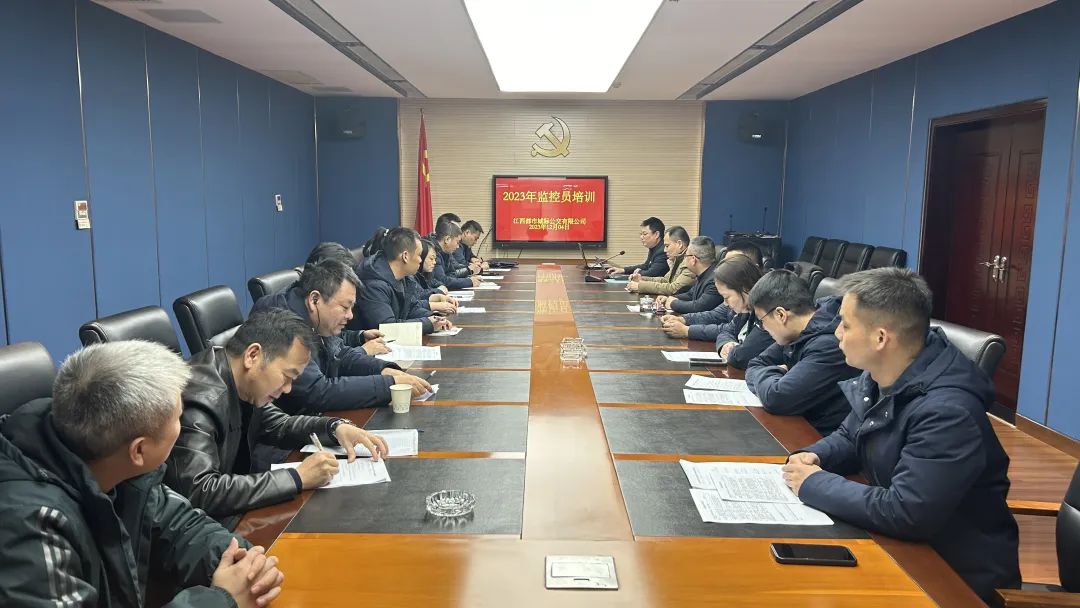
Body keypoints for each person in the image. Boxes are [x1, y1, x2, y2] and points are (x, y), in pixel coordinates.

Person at [781, 268, 1020, 602]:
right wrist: (817, 455)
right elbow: (851, 435)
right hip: (899, 547)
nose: (836, 333)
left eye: (846, 325)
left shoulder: (947, 413)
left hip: (950, 577)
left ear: (880, 338)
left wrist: (813, 484)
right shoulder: (885, 374)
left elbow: (907, 512)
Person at [0, 340, 284, 607]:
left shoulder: (108, 453)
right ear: (139, 450)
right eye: (179, 418)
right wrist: (221, 599)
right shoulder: (30, 525)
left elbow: (178, 524)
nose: (183, 424)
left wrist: (242, 561)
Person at [165, 309, 391, 524]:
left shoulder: (241, 380)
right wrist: (297, 477)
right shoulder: (200, 399)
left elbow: (280, 425)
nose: (288, 388)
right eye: (287, 376)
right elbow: (201, 490)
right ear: (253, 355)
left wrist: (334, 427)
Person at [250, 258, 432, 413]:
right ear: (315, 300)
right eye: (345, 307)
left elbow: (340, 354)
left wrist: (383, 370)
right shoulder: (281, 321)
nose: (350, 316)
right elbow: (316, 392)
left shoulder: (314, 317)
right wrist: (387, 385)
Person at [744, 269, 858, 435]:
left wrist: (774, 374)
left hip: (817, 435)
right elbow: (756, 363)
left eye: (762, 321)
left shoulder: (828, 345)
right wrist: (778, 374)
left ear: (781, 315)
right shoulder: (793, 334)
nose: (763, 328)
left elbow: (777, 399)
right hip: (799, 424)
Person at [662, 257, 774, 369]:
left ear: (745, 288)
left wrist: (732, 352)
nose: (725, 304)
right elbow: (726, 331)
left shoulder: (767, 316)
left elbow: (741, 357)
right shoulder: (745, 311)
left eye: (726, 297)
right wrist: (725, 344)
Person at [356, 227, 453, 334]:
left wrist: (434, 318)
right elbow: (386, 328)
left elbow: (411, 308)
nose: (420, 260)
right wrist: (427, 324)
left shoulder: (404, 277)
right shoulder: (374, 285)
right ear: (405, 256)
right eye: (419, 255)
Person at [655, 236, 724, 314]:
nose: (684, 259)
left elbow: (699, 307)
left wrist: (673, 303)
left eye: (686, 256)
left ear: (693, 259)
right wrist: (669, 298)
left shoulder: (714, 280)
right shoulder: (704, 274)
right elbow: (691, 294)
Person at [627, 225, 694, 296]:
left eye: (667, 246)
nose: (664, 250)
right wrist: (642, 279)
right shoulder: (678, 259)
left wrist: (640, 286)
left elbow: (673, 289)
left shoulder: (691, 262)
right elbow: (666, 280)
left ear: (679, 244)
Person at [407, 238, 458, 314]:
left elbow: (433, 282)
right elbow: (419, 295)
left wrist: (439, 291)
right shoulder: (410, 276)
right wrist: (438, 293)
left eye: (435, 259)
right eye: (431, 259)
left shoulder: (425, 273)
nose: (434, 262)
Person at [433, 220, 481, 290]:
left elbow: (451, 274)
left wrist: (468, 279)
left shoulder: (446, 252)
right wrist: (469, 282)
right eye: (457, 242)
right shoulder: (433, 252)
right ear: (447, 239)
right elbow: (443, 280)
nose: (458, 246)